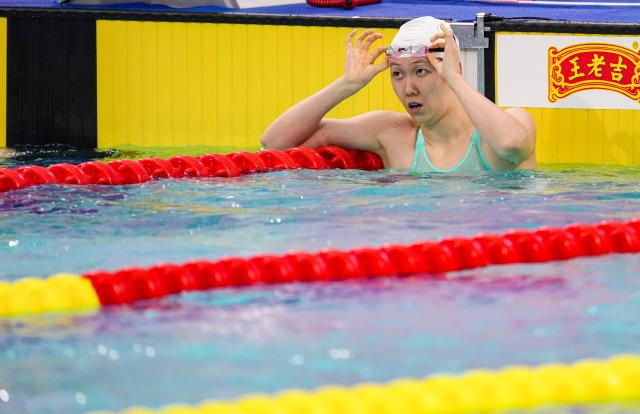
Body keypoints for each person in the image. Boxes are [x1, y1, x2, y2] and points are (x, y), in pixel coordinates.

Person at [260, 16, 536, 173]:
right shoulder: (393, 135)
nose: (408, 88)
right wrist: (346, 85)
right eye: (397, 74)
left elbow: (511, 146)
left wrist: (455, 78)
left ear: (452, 68)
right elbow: (274, 142)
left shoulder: (508, 125)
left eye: (421, 71)